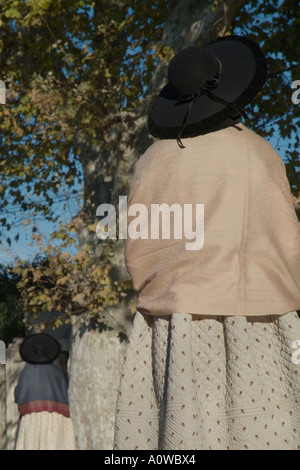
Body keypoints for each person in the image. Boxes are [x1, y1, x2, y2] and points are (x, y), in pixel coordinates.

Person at [113, 35, 300, 450]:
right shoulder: (259, 153)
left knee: (184, 438)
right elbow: (287, 243)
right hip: (260, 319)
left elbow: (139, 252)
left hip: (173, 327)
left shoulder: (152, 160)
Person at [14, 333, 77, 450]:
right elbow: (65, 392)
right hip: (57, 418)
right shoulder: (57, 372)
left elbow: (19, 397)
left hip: (33, 418)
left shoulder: (27, 372)